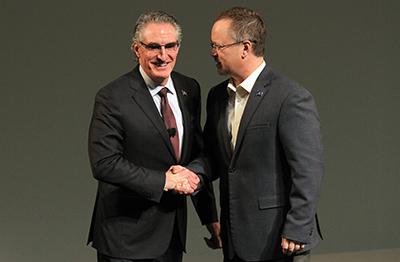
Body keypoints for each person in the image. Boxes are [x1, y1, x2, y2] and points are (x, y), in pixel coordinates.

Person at [87, 11, 219, 262]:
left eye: (170, 46)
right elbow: (104, 163)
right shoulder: (112, 96)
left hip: (171, 238)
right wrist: (164, 181)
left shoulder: (189, 89)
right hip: (125, 240)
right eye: (154, 47)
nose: (163, 55)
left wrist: (209, 218)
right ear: (137, 49)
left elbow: (196, 155)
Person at [203, 7, 323, 262]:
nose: (212, 53)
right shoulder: (216, 97)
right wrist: (190, 173)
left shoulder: (289, 97)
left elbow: (307, 169)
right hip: (235, 240)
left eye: (218, 46)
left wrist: (298, 227)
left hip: (281, 240)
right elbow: (213, 158)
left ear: (245, 47)